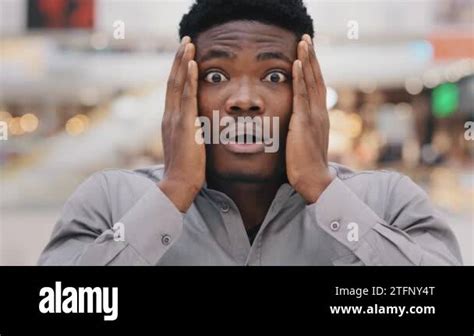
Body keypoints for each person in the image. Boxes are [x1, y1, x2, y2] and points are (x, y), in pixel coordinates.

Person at [38, 0, 462, 266]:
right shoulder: (109, 203)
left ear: (308, 90)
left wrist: (321, 189)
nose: (243, 99)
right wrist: (172, 194)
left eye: (274, 75)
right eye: (216, 74)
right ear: (182, 91)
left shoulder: (389, 203)